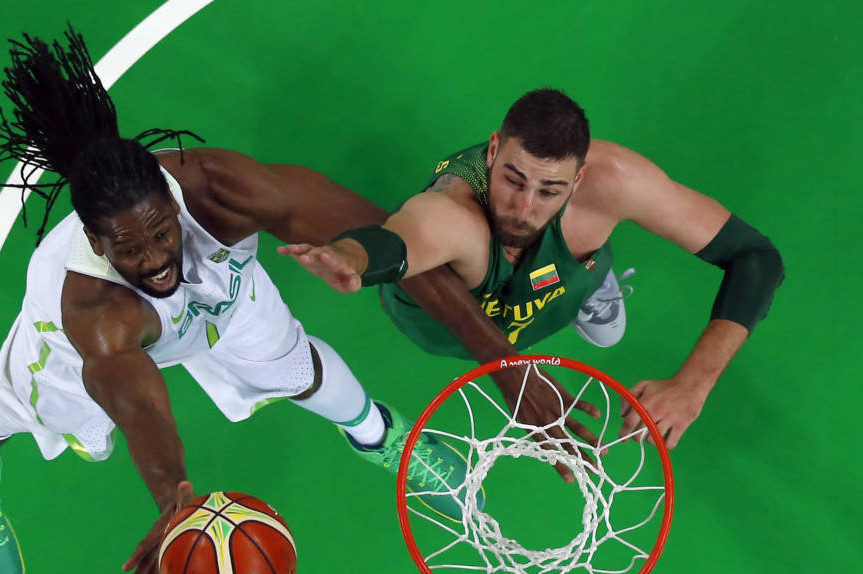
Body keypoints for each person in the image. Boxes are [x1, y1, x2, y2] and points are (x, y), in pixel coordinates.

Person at [0, 27, 470, 574]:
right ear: (95, 239)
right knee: (12, 409)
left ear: (169, 197)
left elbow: (387, 236)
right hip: (76, 346)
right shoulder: (90, 309)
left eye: (161, 233)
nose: (156, 259)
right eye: (131, 247)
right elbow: (140, 405)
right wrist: (171, 493)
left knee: (295, 365)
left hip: (213, 286)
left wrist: (499, 357)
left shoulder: (216, 191)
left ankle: (384, 438)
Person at [280, 88, 784, 458]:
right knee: (462, 277)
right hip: (459, 312)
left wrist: (692, 385)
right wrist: (352, 257)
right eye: (513, 180)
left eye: (549, 191)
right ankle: (571, 271)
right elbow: (396, 241)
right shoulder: (455, 213)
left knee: (596, 302)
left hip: (559, 273)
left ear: (579, 176)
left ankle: (585, 273)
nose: (522, 209)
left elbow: (756, 259)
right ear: (494, 150)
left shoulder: (613, 180)